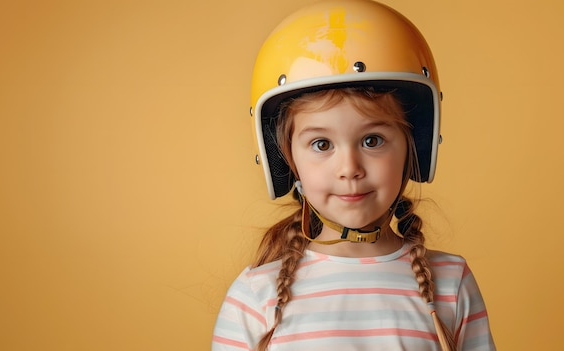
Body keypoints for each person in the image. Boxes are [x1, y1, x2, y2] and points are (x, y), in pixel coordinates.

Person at [212, 0, 496, 350]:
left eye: (372, 140)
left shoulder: (451, 284)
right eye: (321, 144)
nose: (349, 169)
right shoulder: (255, 296)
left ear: (413, 146)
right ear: (287, 158)